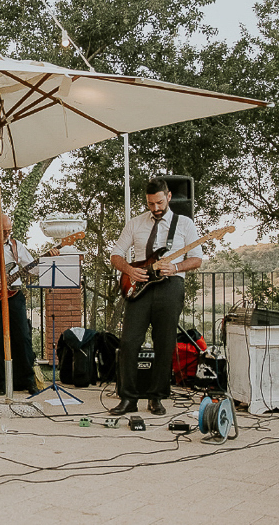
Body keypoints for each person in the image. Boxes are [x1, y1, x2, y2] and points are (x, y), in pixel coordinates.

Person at [110, 177, 203, 416]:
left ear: (169, 196)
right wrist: (130, 270)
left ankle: (156, 397)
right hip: (140, 286)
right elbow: (116, 254)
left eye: (159, 202)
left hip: (170, 286)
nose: (156, 208)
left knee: (165, 343)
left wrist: (176, 268)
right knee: (129, 342)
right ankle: (128, 399)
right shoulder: (135, 223)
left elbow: (197, 259)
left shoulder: (184, 224)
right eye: (151, 204)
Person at [0, 213, 57, 396]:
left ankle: (28, 381)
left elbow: (35, 268)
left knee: (23, 338)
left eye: (9, 230)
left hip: (15, 295)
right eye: (4, 231)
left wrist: (48, 257)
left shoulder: (17, 246)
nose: (7, 234)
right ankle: (0, 382)